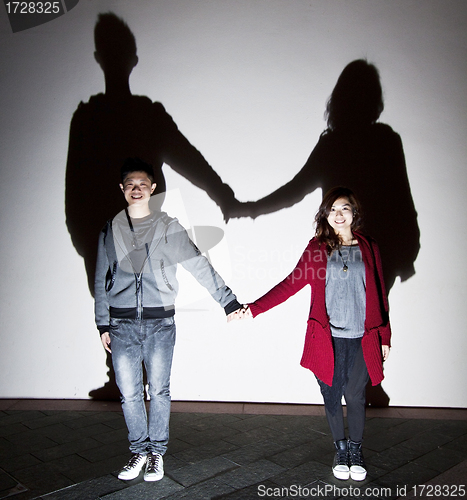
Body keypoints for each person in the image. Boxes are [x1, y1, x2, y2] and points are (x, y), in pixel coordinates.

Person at [94, 158, 242, 482]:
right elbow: (101, 279)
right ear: (122, 189)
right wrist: (102, 323)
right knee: (129, 393)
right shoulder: (110, 229)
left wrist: (227, 300)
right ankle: (139, 451)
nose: (137, 189)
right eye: (130, 184)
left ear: (153, 188)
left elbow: (198, 264)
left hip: (160, 323)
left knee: (159, 390)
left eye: (142, 184)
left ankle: (156, 454)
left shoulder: (168, 227)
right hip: (121, 325)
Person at [226, 59, 419, 293]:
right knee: (366, 325)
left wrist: (250, 209)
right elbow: (403, 204)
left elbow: (294, 190)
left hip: (349, 251)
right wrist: (406, 255)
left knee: (346, 323)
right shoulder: (384, 141)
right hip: (376, 253)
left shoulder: (335, 145)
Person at [240, 186, 391, 481]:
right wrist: (254, 309)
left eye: (345, 208)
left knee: (356, 395)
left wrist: (385, 336)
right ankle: (341, 448)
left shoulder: (369, 247)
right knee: (332, 395)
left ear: (354, 213)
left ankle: (357, 450)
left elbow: (381, 294)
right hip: (328, 336)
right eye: (333, 209)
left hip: (362, 335)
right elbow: (289, 285)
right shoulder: (317, 248)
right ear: (326, 214)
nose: (339, 214)